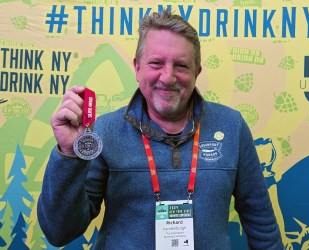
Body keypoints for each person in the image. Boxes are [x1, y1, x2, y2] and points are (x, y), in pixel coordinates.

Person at [37, 10, 284, 250]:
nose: (168, 77)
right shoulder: (103, 131)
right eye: (156, 63)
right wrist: (69, 154)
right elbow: (59, 232)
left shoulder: (231, 126)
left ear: (197, 72)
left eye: (181, 66)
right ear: (137, 68)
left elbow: (261, 224)